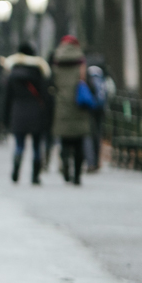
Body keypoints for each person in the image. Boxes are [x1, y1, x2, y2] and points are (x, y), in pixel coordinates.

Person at [3, 42, 51, 184]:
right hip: (36, 113)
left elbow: (7, 99)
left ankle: (16, 172)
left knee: (19, 145)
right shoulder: (39, 74)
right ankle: (35, 177)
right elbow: (45, 96)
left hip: (18, 113)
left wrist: (5, 119)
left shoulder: (12, 75)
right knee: (37, 147)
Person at [50, 35, 91, 185]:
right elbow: (86, 81)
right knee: (79, 143)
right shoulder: (81, 60)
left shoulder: (56, 60)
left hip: (62, 106)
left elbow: (52, 82)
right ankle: (77, 175)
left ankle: (66, 166)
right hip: (78, 104)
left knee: (65, 142)